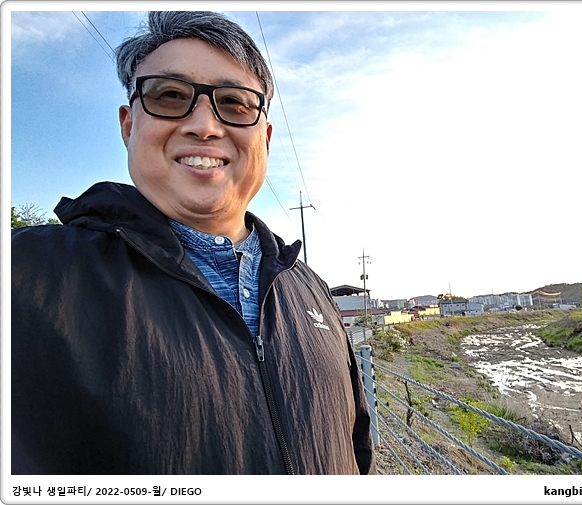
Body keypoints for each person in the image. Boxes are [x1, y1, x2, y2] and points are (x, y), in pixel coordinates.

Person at [11, 11, 376, 475]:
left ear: (265, 138)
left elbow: (358, 451)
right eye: (169, 95)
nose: (204, 125)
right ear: (128, 125)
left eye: (235, 103)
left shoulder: (310, 289)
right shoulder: (27, 274)